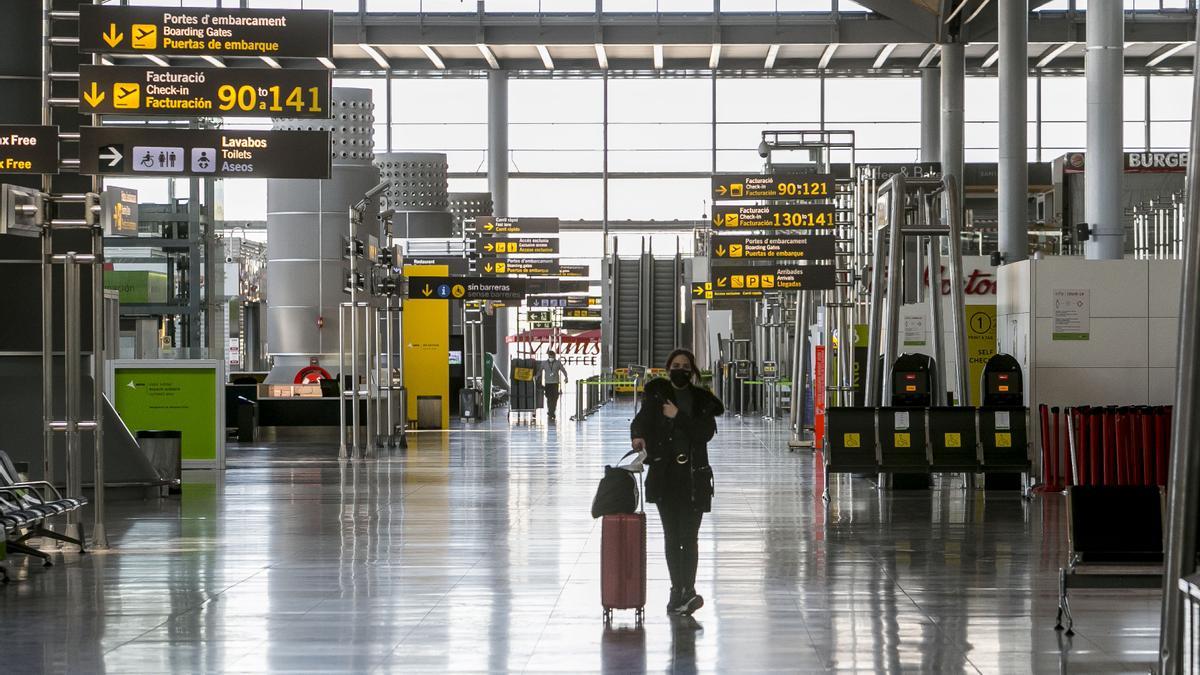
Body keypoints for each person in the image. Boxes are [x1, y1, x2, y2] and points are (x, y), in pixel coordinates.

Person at [629, 348, 723, 616]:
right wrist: (637, 437)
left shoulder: (702, 401)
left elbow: (704, 433)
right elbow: (640, 422)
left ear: (691, 371)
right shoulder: (657, 395)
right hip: (665, 476)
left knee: (689, 537)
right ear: (668, 368)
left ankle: (688, 590)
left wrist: (678, 416)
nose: (680, 369)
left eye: (685, 366)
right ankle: (677, 590)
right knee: (672, 537)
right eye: (675, 365)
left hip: (695, 477)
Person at [538, 349, 568, 421]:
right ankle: (550, 411)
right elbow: (540, 371)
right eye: (550, 356)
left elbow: (563, 370)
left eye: (552, 356)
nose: (551, 358)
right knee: (549, 398)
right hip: (548, 383)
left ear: (554, 356)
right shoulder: (544, 363)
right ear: (548, 356)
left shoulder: (558, 363)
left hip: (555, 383)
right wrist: (536, 377)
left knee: (554, 398)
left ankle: (552, 411)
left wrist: (566, 377)